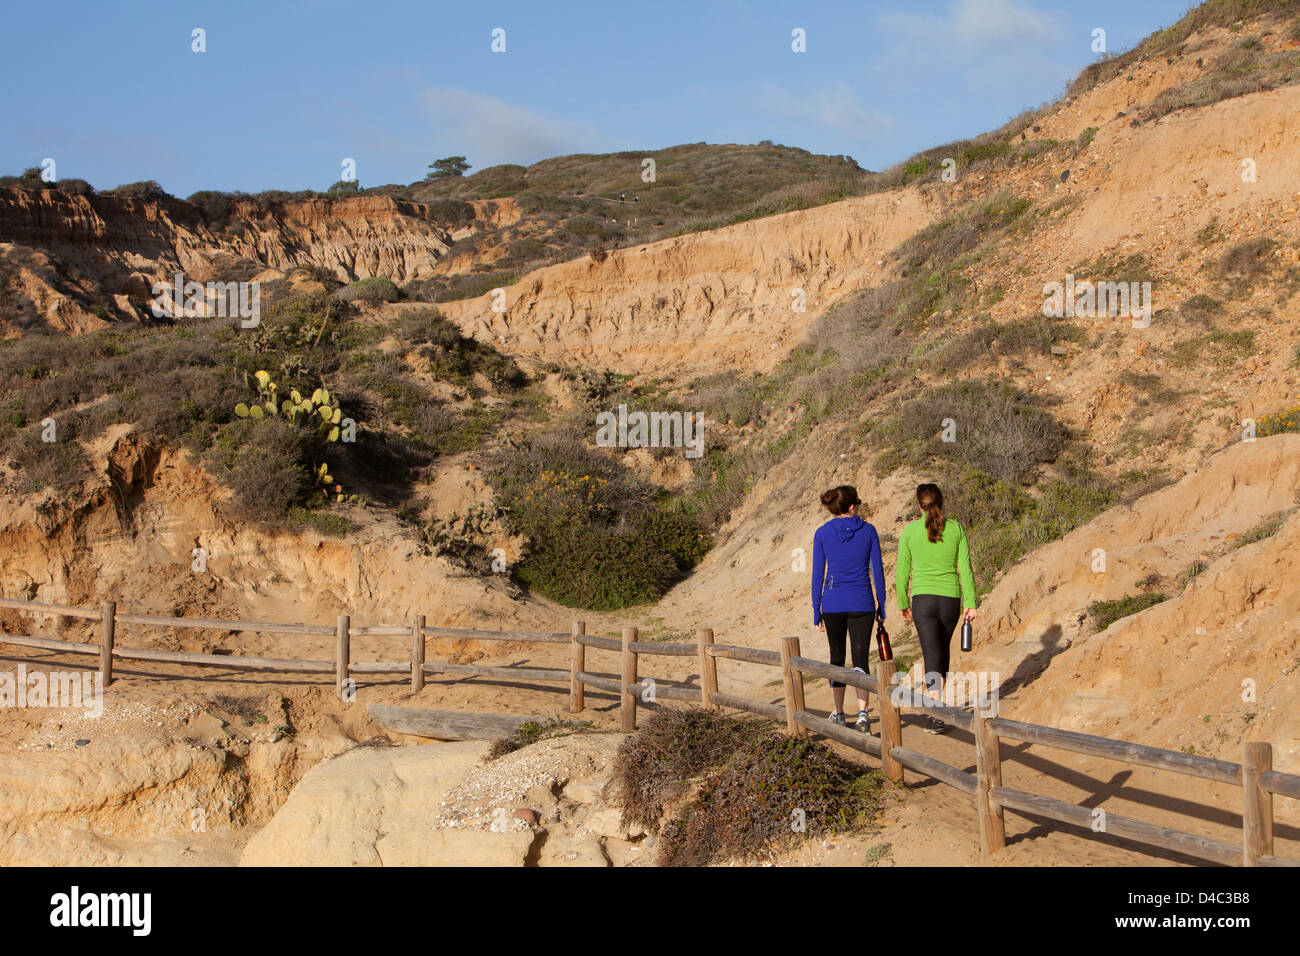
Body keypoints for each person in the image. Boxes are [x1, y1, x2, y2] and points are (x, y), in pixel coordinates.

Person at [896, 483, 977, 734]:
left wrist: (903, 603)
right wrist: (971, 602)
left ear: (919, 505)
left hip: (923, 600)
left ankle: (936, 713)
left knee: (932, 654)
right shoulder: (956, 529)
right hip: (950, 599)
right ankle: (938, 709)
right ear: (941, 502)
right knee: (941, 653)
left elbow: (902, 573)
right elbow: (965, 567)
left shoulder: (909, 532)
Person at [811, 485, 886, 732]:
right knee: (861, 657)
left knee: (836, 659)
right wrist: (882, 604)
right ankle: (863, 712)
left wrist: (816, 608)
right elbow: (877, 571)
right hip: (862, 601)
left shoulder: (822, 533)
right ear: (852, 506)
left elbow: (817, 575)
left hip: (832, 603)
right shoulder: (869, 531)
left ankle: (839, 712)